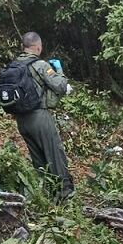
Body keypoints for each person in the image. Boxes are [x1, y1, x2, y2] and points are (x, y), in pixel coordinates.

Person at [14, 32, 75, 200]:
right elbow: (60, 86)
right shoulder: (40, 64)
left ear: (23, 46)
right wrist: (60, 70)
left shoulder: (15, 65)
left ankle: (46, 194)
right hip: (39, 117)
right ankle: (65, 193)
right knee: (54, 154)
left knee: (38, 159)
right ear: (38, 47)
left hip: (21, 120)